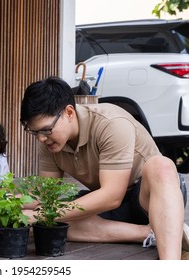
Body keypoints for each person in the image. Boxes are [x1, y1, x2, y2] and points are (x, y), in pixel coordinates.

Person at [20, 76, 188, 260]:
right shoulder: (48, 141)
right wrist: (9, 203)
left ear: (69, 113)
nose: (41, 139)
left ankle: (171, 267)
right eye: (34, 132)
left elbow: (112, 196)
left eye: (45, 130)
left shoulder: (110, 123)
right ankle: (151, 232)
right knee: (57, 222)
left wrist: (41, 214)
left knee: (161, 165)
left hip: (149, 198)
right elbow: (45, 194)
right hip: (107, 205)